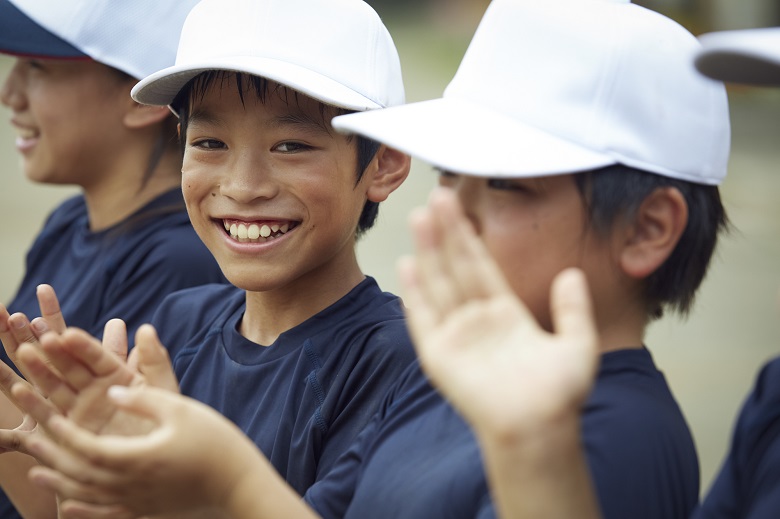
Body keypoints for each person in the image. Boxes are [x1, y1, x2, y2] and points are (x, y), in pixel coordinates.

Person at [0, 0, 733, 518]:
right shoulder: (450, 381)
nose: (453, 214)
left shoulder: (618, 438)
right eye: (453, 176)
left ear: (648, 228)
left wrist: (217, 483)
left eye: (506, 185)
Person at [1, 0, 417, 516]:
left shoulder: (401, 361)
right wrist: (73, 462)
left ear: (385, 164)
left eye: (290, 146)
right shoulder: (176, 324)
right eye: (210, 142)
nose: (243, 187)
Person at [0, 0, 226, 517]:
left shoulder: (181, 262)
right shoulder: (70, 220)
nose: (8, 92)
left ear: (142, 98)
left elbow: (56, 503)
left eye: (37, 67)